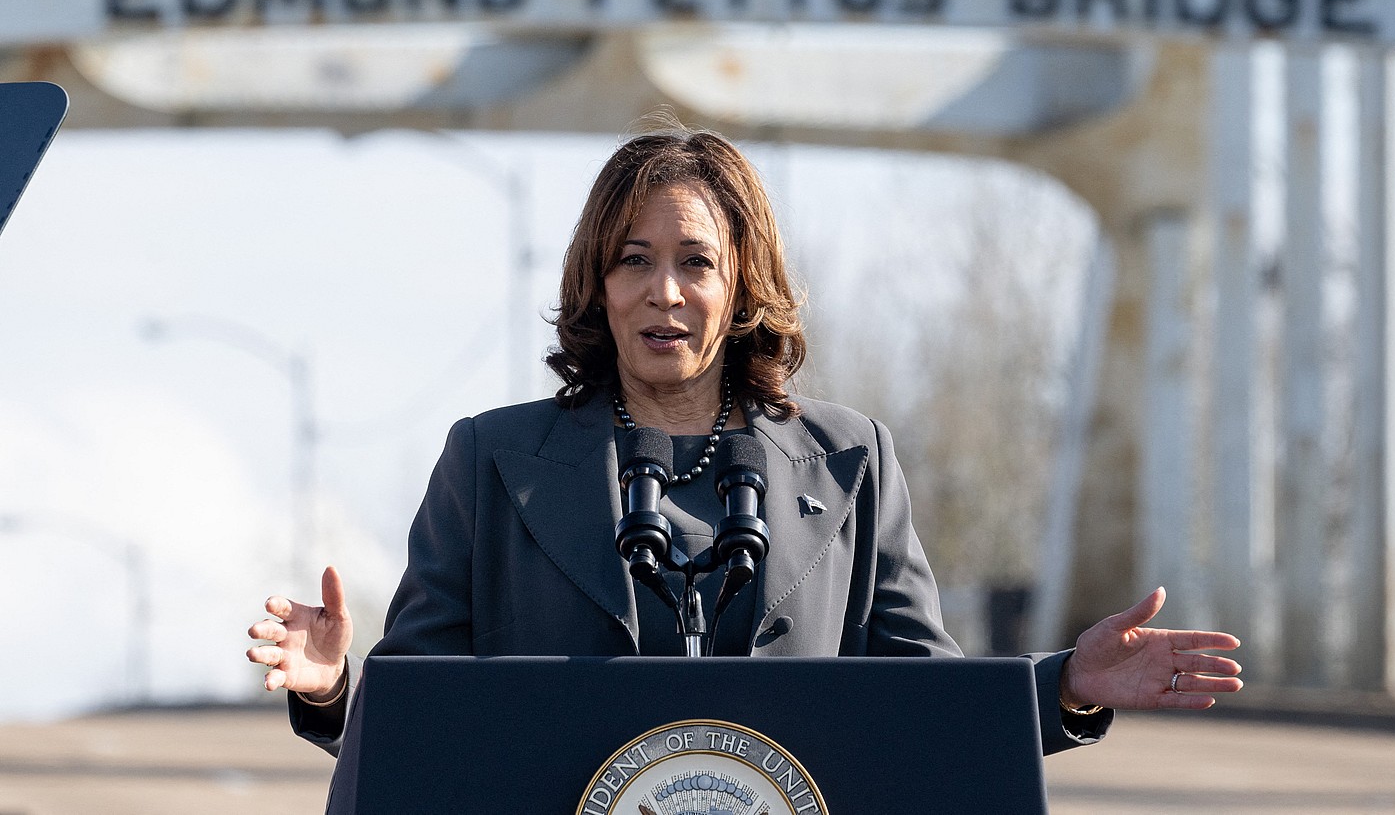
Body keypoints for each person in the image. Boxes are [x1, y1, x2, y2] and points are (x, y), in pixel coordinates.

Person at [247, 125, 1242, 760]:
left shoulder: (853, 461)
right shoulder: (491, 460)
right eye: (633, 260)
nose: (663, 291)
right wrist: (337, 687)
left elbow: (925, 713)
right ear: (598, 281)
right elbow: (426, 731)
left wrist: (1065, 685)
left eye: (695, 261)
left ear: (743, 281)